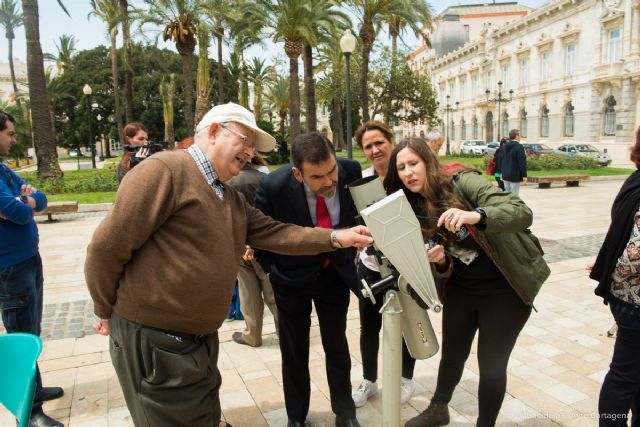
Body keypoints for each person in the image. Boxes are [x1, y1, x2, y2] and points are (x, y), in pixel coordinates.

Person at [84, 103, 372, 427]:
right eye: (245, 140)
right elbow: (106, 248)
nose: (250, 152)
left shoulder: (230, 198)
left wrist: (336, 237)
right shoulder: (165, 170)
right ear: (213, 131)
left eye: (253, 147)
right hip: (156, 340)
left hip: (200, 340)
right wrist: (104, 308)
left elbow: (277, 232)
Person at [383, 138, 549, 427]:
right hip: (463, 287)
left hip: (505, 288)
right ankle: (438, 409)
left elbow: (520, 212)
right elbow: (445, 267)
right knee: (452, 355)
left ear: (428, 162)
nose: (408, 172)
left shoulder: (463, 182)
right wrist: (439, 261)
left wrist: (475, 215)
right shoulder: (412, 208)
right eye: (401, 167)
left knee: (492, 367)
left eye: (413, 163)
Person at [254, 132, 362, 427]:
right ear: (297, 174)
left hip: (335, 276)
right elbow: (261, 236)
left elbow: (362, 212)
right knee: (294, 351)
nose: (329, 182)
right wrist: (274, 270)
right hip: (291, 281)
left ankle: (346, 413)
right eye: (318, 177)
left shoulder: (350, 170)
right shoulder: (273, 186)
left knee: (337, 347)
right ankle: (297, 418)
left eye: (331, 172)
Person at [0, 110, 65, 427]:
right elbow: (19, 210)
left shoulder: (3, 170)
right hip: (8, 268)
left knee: (32, 330)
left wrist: (24, 202)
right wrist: (21, 204)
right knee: (21, 334)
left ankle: (35, 388)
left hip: (27, 260)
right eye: (10, 133)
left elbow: (39, 199)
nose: (14, 139)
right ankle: (30, 411)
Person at [351, 121, 418, 407]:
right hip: (370, 264)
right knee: (369, 326)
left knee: (408, 323)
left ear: (391, 141)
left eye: (379, 142)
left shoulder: (406, 176)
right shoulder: (361, 182)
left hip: (406, 264)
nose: (375, 149)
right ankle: (369, 381)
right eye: (368, 146)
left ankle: (405, 380)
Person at [590, 126, 640, 426]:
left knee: (632, 374)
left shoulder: (634, 180)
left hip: (623, 296)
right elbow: (634, 255)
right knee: (624, 377)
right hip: (634, 301)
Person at [227, 154, 279, 347]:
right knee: (272, 292)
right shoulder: (265, 179)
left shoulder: (226, 182)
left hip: (239, 244)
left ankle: (253, 335)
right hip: (265, 243)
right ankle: (285, 332)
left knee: (248, 291)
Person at [497, 129, 527, 195]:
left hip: (505, 174)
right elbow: (522, 162)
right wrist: (524, 175)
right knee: (514, 195)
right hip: (515, 175)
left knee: (507, 192)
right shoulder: (519, 147)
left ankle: (506, 205)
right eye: (520, 135)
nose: (520, 136)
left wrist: (500, 173)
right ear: (516, 136)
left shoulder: (503, 147)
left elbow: (499, 160)